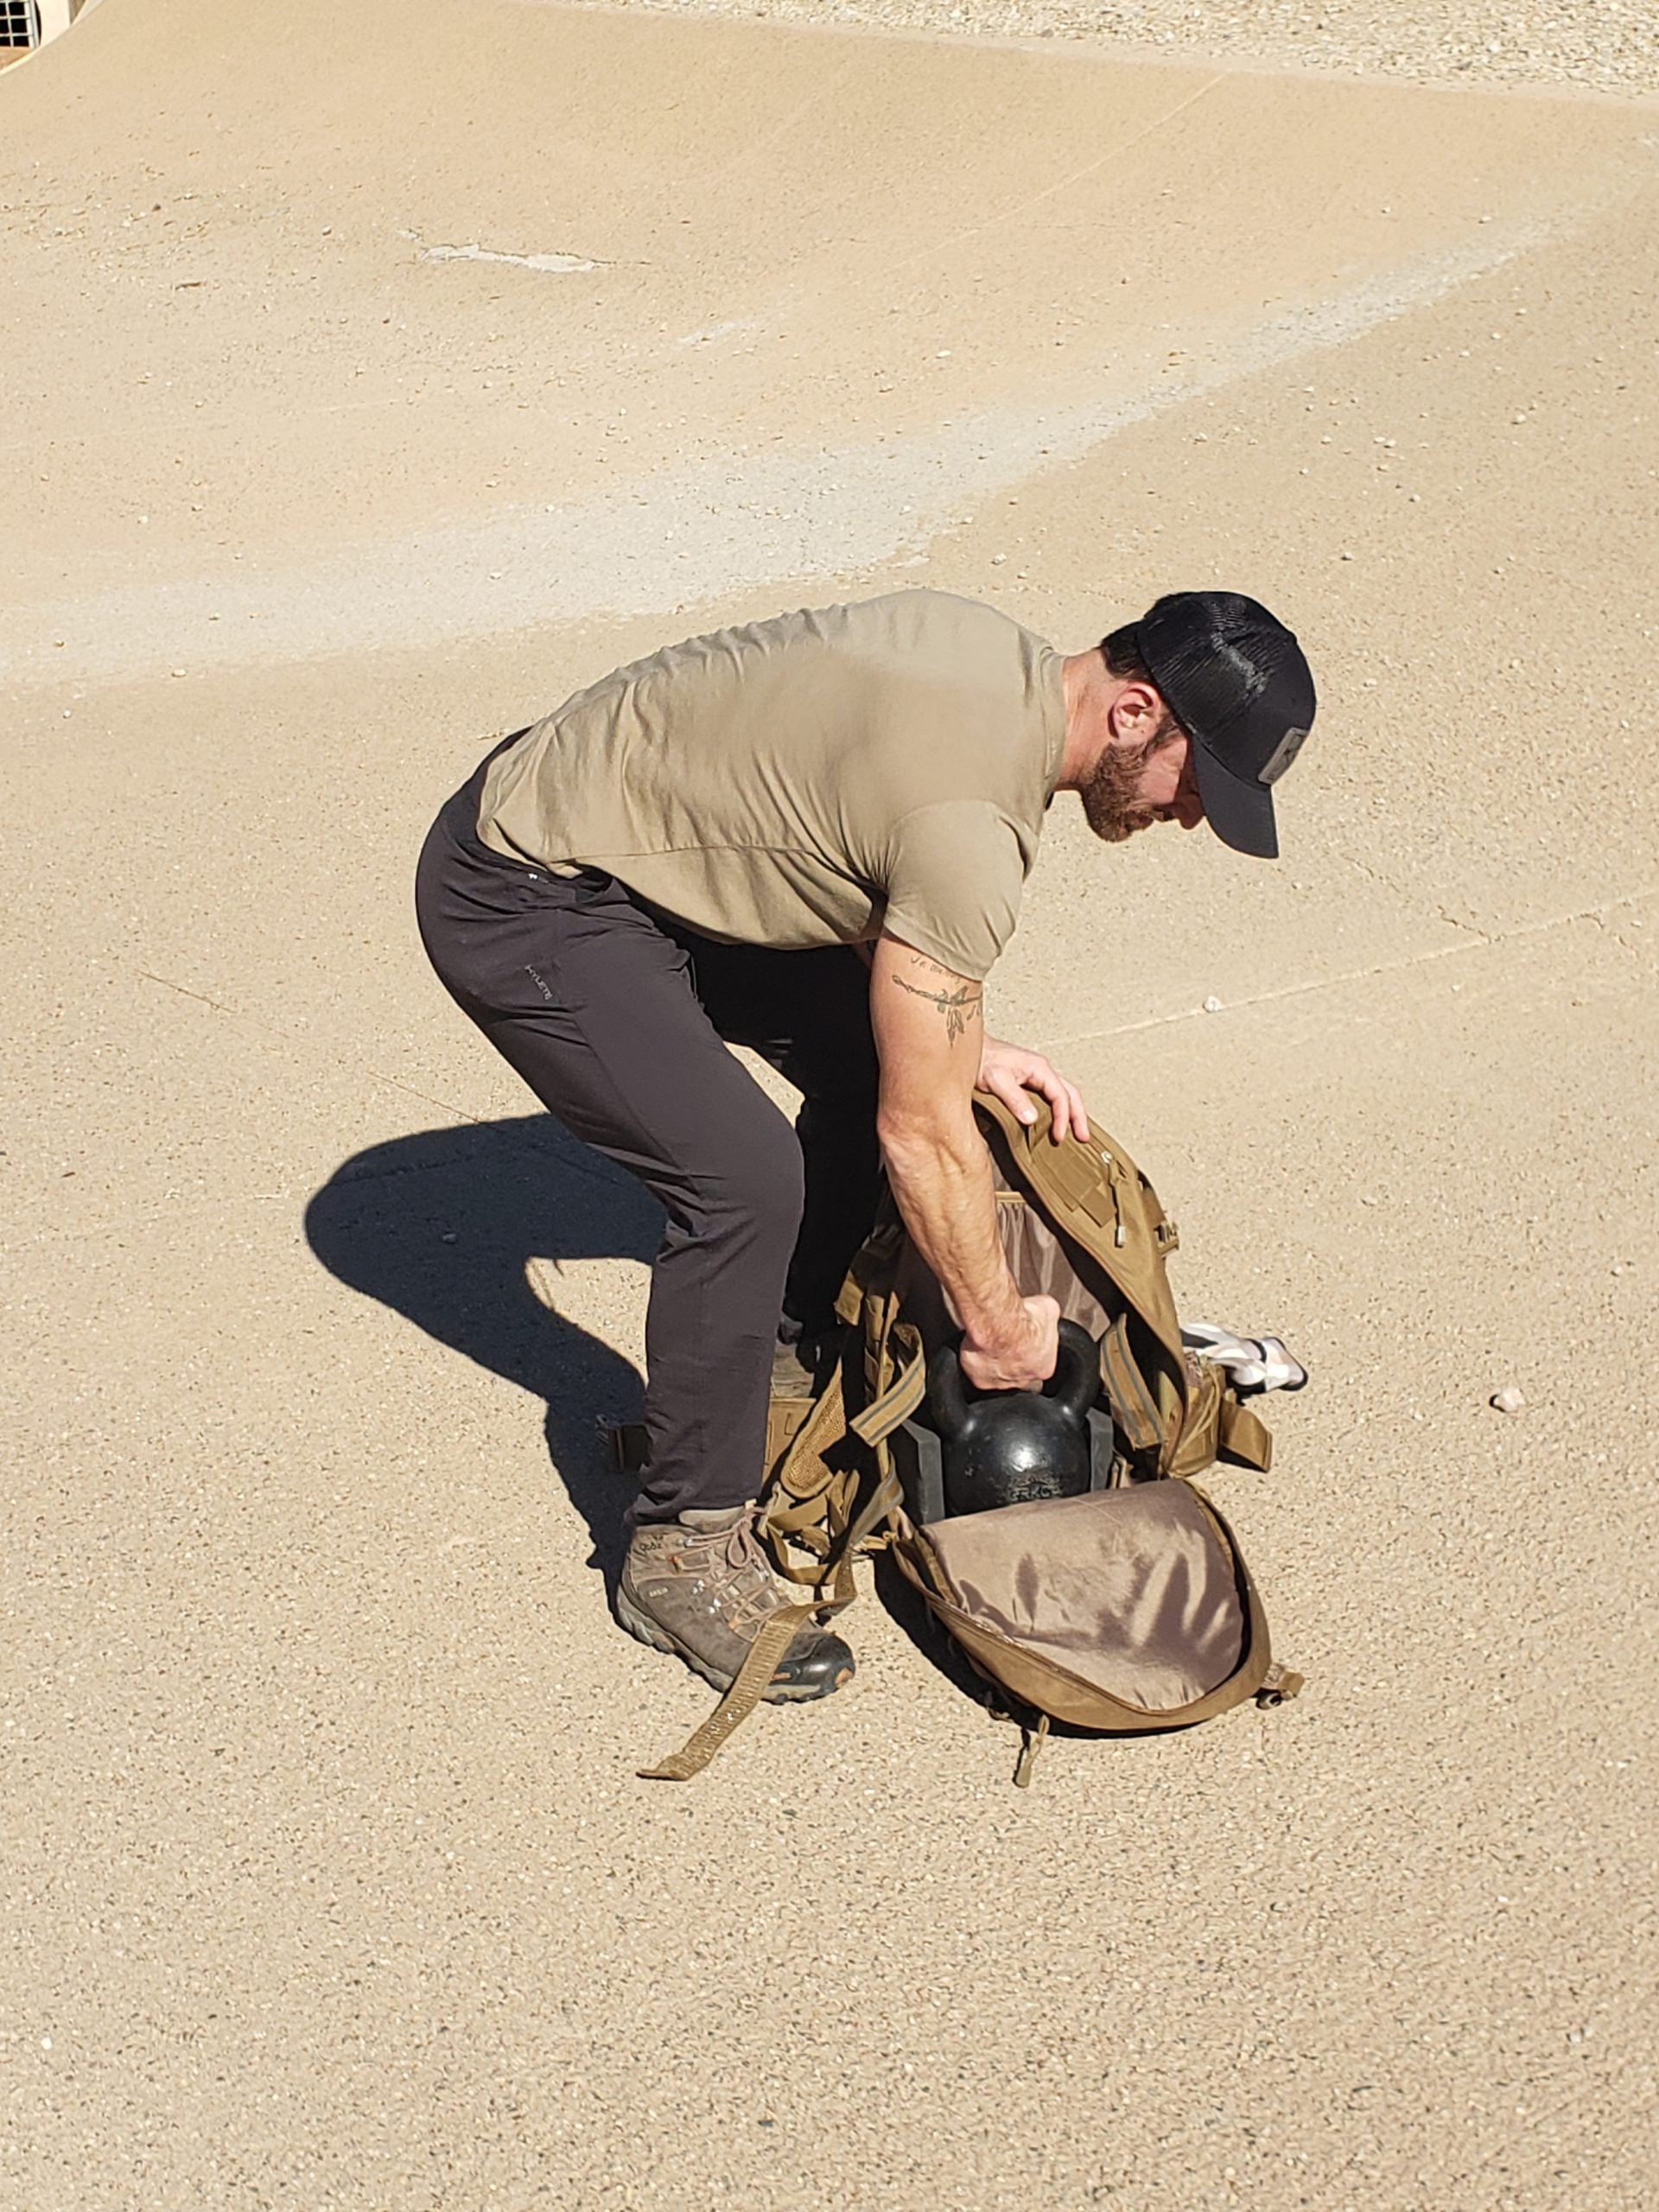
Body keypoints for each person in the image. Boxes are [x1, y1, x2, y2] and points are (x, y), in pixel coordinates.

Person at [415, 587, 1315, 1707]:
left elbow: (833, 827)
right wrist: (998, 1331)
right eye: (1199, 785)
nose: (1189, 818)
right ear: (1135, 712)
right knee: (742, 1181)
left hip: (639, 837)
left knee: (881, 1066)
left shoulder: (988, 657)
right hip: (526, 886)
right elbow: (922, 1134)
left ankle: (780, 1355)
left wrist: (958, 1040)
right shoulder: (973, 824)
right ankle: (682, 1546)